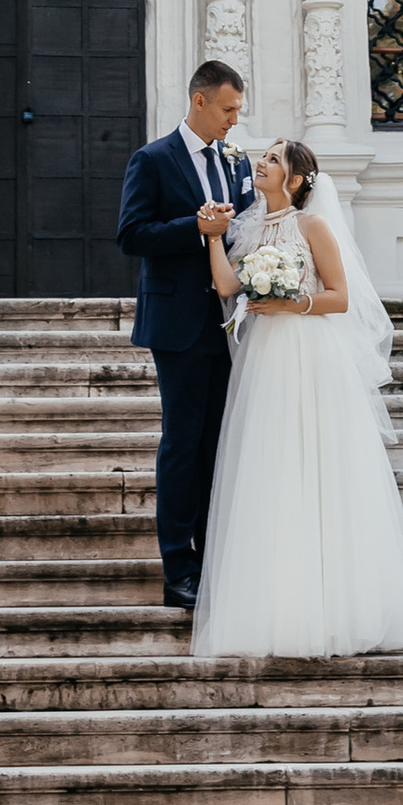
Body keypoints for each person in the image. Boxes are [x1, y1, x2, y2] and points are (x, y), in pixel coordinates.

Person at [190, 134, 403, 661]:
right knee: (269, 469)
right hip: (261, 360)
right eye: (266, 155)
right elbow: (230, 287)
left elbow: (340, 297)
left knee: (315, 465)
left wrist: (289, 303)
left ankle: (335, 606)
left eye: (274, 159)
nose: (263, 161)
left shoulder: (313, 225)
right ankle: (276, 606)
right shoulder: (249, 223)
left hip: (308, 352)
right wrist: (212, 238)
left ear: (295, 181)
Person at [116, 59, 249, 610]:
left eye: (237, 110)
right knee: (183, 444)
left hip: (233, 325)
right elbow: (131, 233)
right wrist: (193, 226)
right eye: (227, 109)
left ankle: (216, 556)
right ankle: (179, 568)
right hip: (179, 326)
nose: (234, 120)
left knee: (220, 444)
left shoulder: (234, 161)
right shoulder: (152, 159)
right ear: (199, 101)